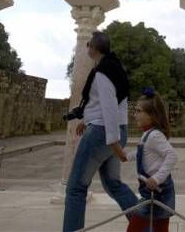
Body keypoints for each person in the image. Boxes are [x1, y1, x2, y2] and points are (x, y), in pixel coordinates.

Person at [62, 31, 138, 232]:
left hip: (104, 133)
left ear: (93, 48)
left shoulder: (103, 72)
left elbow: (109, 106)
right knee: (113, 184)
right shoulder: (115, 67)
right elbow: (105, 105)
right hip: (114, 129)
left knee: (76, 189)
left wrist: (112, 141)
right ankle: (145, 224)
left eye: (88, 44)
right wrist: (88, 119)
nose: (87, 47)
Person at [125, 88, 178, 232]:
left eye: (138, 111)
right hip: (151, 190)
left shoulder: (154, 135)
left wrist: (157, 178)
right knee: (158, 227)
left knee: (137, 227)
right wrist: (128, 156)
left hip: (159, 190)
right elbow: (143, 151)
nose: (134, 114)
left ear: (152, 115)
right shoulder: (147, 134)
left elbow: (171, 155)